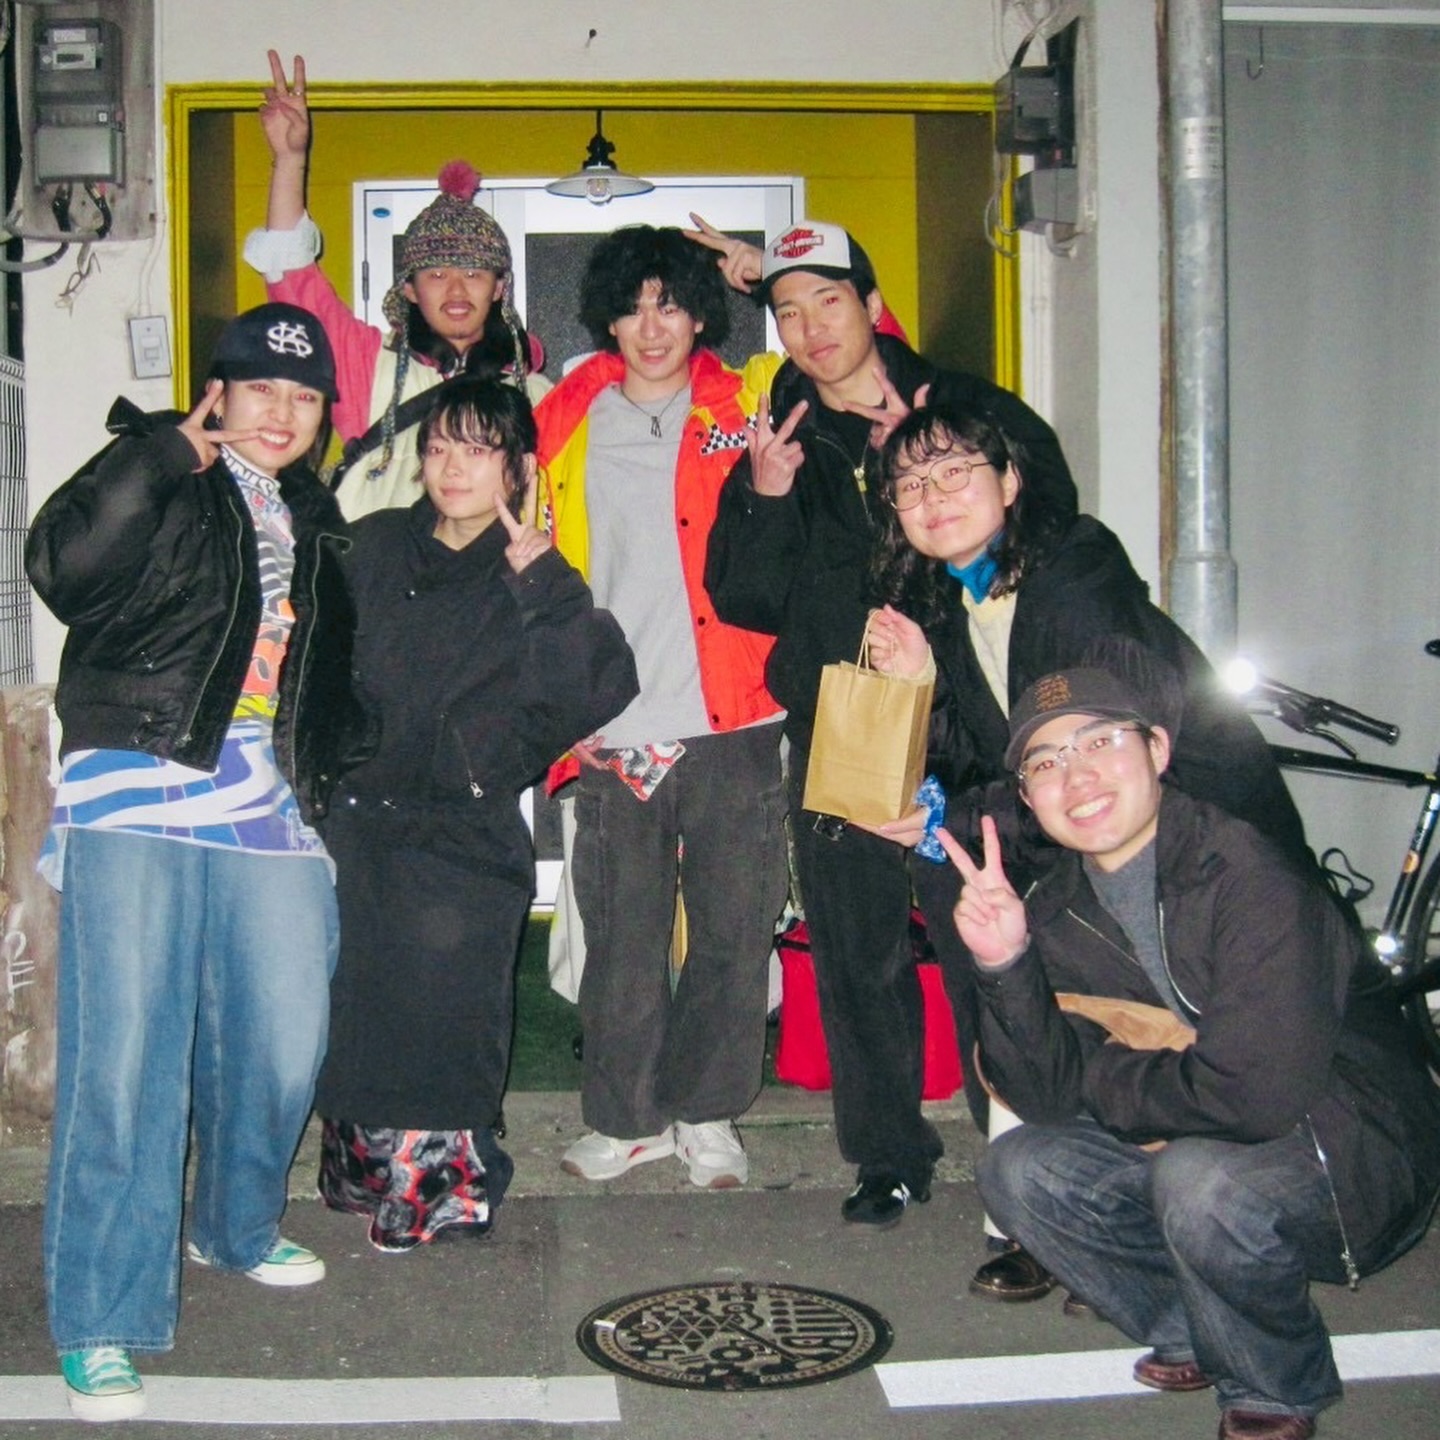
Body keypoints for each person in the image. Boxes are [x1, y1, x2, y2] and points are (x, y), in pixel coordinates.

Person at [865, 399, 1309, 1296]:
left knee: (1168, 1030)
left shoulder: (1072, 581)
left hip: (1185, 838)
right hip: (1069, 835)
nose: (933, 497)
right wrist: (921, 692)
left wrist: (949, 816)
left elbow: (1083, 774)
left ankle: (1191, 1218)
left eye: (954, 472)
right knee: (998, 965)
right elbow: (978, 760)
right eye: (910, 486)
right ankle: (1044, 1213)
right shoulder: (951, 605)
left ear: (1010, 481)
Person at [938, 654, 1440, 1440]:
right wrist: (1005, 965)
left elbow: (1251, 1097)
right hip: (1203, 1129)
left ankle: (1272, 1388)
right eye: (1046, 762)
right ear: (1029, 797)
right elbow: (1041, 1096)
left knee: (1199, 1181)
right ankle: (1194, 1326)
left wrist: (1098, 1076)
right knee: (1019, 1168)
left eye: (1100, 742)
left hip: (1356, 1151)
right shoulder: (1057, 906)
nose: (1077, 776)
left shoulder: (1249, 875)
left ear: (1158, 750)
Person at [701, 218, 1076, 1228]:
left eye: (829, 301)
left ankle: (1025, 1155)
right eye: (789, 312)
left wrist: (928, 467)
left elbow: (1052, 527)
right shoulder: (779, 431)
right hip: (843, 718)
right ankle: (887, 1154)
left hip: (964, 721)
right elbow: (744, 598)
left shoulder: (963, 410)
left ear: (871, 306)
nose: (812, 328)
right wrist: (767, 496)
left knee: (983, 939)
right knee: (856, 946)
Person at [26, 303, 358, 1422]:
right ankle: (102, 1317)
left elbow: (327, 676)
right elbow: (62, 567)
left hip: (262, 799)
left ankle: (232, 1225)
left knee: (286, 1032)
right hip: (136, 778)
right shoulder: (164, 471)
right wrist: (164, 452)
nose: (282, 412)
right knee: (126, 1060)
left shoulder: (316, 514)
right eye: (261, 387)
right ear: (218, 391)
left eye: (304, 396)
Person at [314, 375, 638, 1251]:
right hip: (362, 820)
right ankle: (362, 1177)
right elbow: (317, 663)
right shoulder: (375, 543)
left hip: (463, 832)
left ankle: (437, 1195)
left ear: (519, 467)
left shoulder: (530, 566)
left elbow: (598, 682)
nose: (453, 467)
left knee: (446, 1017)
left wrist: (544, 590)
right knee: (361, 1008)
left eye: (478, 449)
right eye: (439, 448)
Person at [536, 225, 788, 1190]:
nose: (652, 327)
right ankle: (626, 1119)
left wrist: (772, 275)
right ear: (606, 316)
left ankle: (709, 1113)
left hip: (734, 717)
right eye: (634, 307)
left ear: (701, 316)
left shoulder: (749, 400)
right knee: (621, 940)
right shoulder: (561, 419)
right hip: (611, 723)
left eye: (672, 305)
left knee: (733, 930)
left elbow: (871, 366)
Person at [246, 51, 550, 520]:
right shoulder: (370, 364)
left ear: (498, 289)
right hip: (373, 565)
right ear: (408, 289)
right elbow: (291, 275)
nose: (456, 290)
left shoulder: (540, 394)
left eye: (473, 274)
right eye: (436, 275)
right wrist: (290, 161)